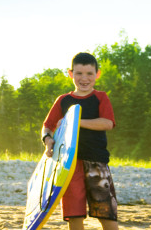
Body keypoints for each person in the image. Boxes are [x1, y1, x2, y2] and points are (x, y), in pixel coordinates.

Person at [41, 52, 118, 230]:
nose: (84, 79)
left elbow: (107, 123)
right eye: (79, 73)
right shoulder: (63, 100)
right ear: (70, 74)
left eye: (89, 74)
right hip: (68, 165)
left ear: (97, 74)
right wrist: (47, 140)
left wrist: (74, 121)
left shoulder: (100, 97)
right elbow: (47, 126)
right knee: (74, 215)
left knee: (107, 215)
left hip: (96, 162)